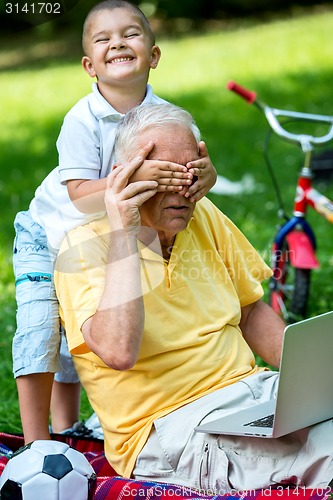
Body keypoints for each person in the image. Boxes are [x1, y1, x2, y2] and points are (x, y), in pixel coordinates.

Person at [54, 102, 333, 492]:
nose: (186, 190)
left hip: (253, 395)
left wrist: (314, 382)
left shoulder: (204, 216)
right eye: (166, 175)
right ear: (126, 178)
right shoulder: (85, 247)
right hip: (170, 428)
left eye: (192, 173)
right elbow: (118, 351)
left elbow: (251, 311)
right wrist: (125, 231)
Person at [13, 0, 217, 444]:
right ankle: (34, 443)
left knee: (80, 331)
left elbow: (193, 164)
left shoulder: (164, 116)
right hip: (47, 235)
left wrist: (207, 174)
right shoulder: (81, 121)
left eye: (130, 33)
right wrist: (133, 178)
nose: (117, 43)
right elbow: (80, 197)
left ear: (154, 55)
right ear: (90, 65)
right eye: (103, 39)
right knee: (43, 330)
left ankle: (68, 429)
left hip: (102, 233)